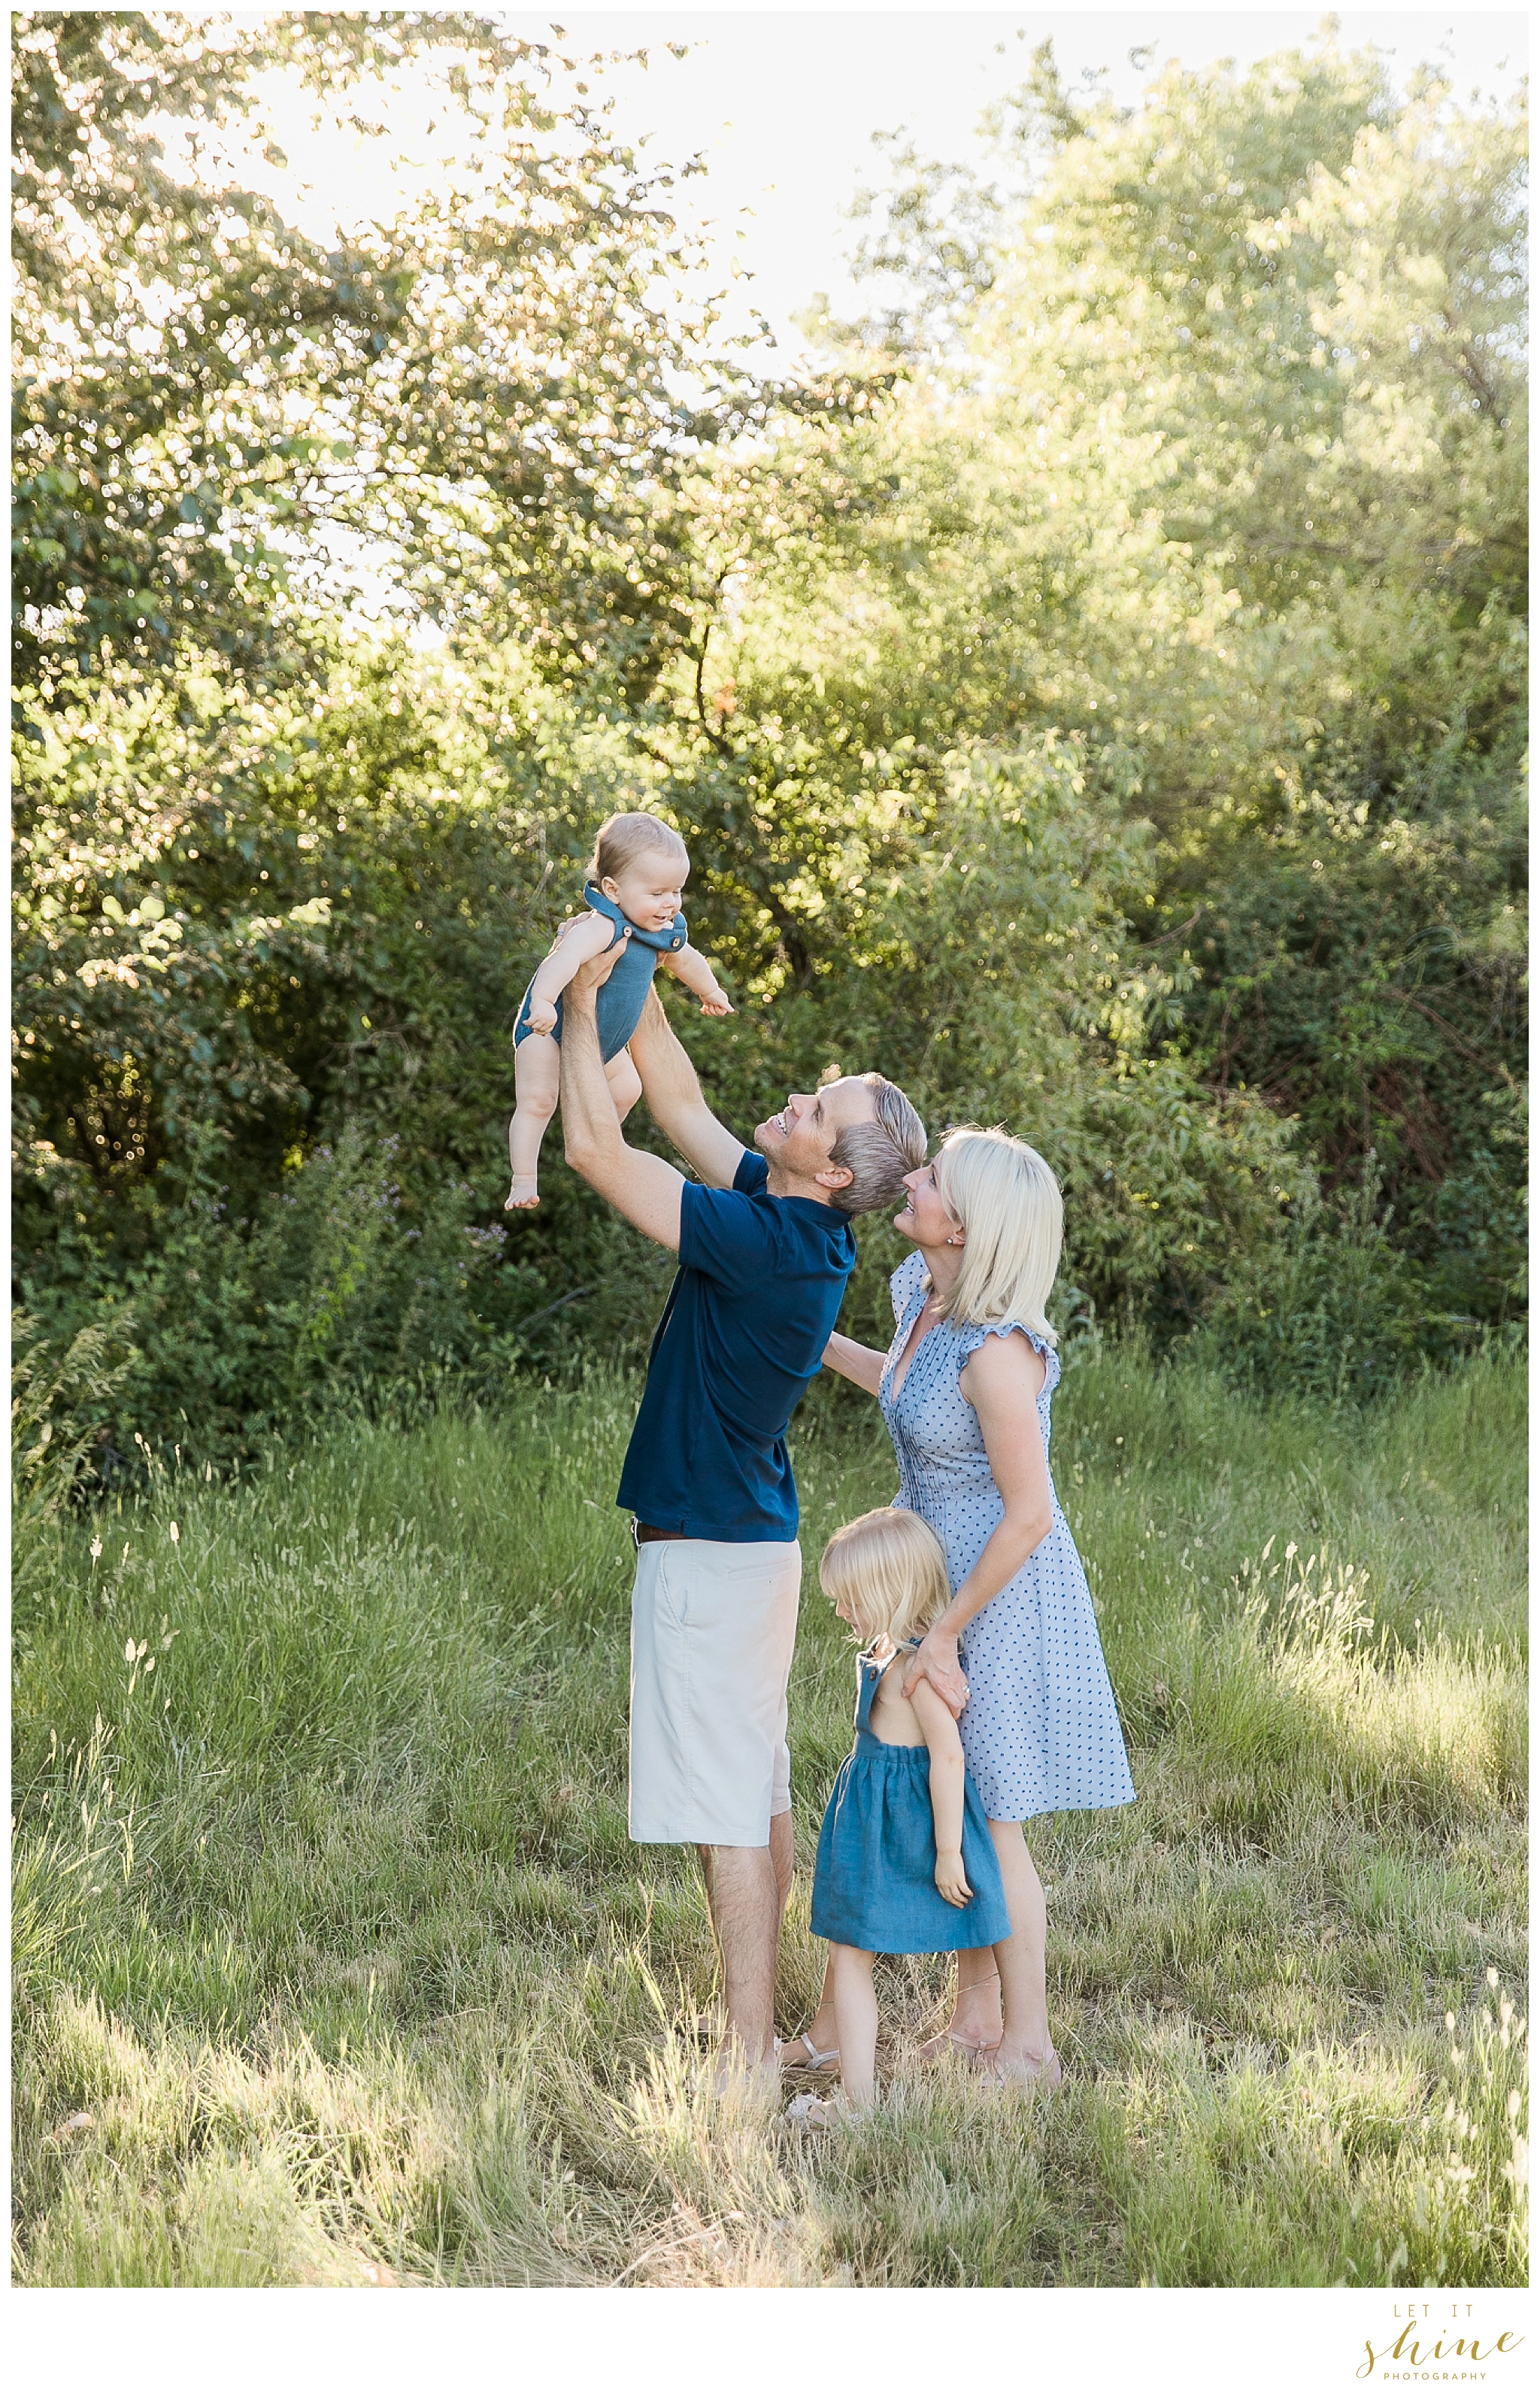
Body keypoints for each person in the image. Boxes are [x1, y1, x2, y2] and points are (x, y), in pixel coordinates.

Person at [556, 945, 928, 2079]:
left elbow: (593, 1147)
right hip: (745, 1544)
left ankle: (744, 2053)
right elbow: (673, 1090)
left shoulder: (771, 1248)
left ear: (832, 1170)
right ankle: (763, 2031)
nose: (794, 1100)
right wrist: (643, 947)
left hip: (712, 1560)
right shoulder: (795, 1219)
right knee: (755, 1789)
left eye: (816, 1109)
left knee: (728, 1806)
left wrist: (573, 1000)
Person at [788, 1125, 1135, 2087]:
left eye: (933, 1176)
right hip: (935, 1580)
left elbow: (1028, 1514)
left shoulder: (998, 1355)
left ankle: (1031, 2045)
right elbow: (898, 1388)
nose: (915, 1177)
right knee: (962, 1798)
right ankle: (975, 2019)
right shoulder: (921, 1299)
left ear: (964, 1223)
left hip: (1001, 1593)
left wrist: (942, 1634)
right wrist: (807, 1339)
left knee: (999, 1814)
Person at [787, 1506, 1011, 2129]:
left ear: (888, 1594)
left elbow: (948, 1754)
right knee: (850, 1951)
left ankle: (857, 2104)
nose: (840, 1612)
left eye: (849, 1599)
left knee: (853, 1952)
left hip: (896, 1831)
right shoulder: (889, 1657)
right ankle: (850, 2075)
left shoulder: (915, 1672)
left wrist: (946, 1851)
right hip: (872, 1821)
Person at [505, 811, 732, 1209]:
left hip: (600, 1046)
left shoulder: (662, 929)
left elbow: (687, 960)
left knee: (629, 1088)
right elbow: (560, 961)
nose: (670, 904)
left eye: (676, 891)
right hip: (550, 1033)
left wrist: (710, 991)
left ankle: (592, 1135)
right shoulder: (601, 926)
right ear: (612, 889)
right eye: (658, 893)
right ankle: (523, 1178)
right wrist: (542, 1003)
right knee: (538, 1101)